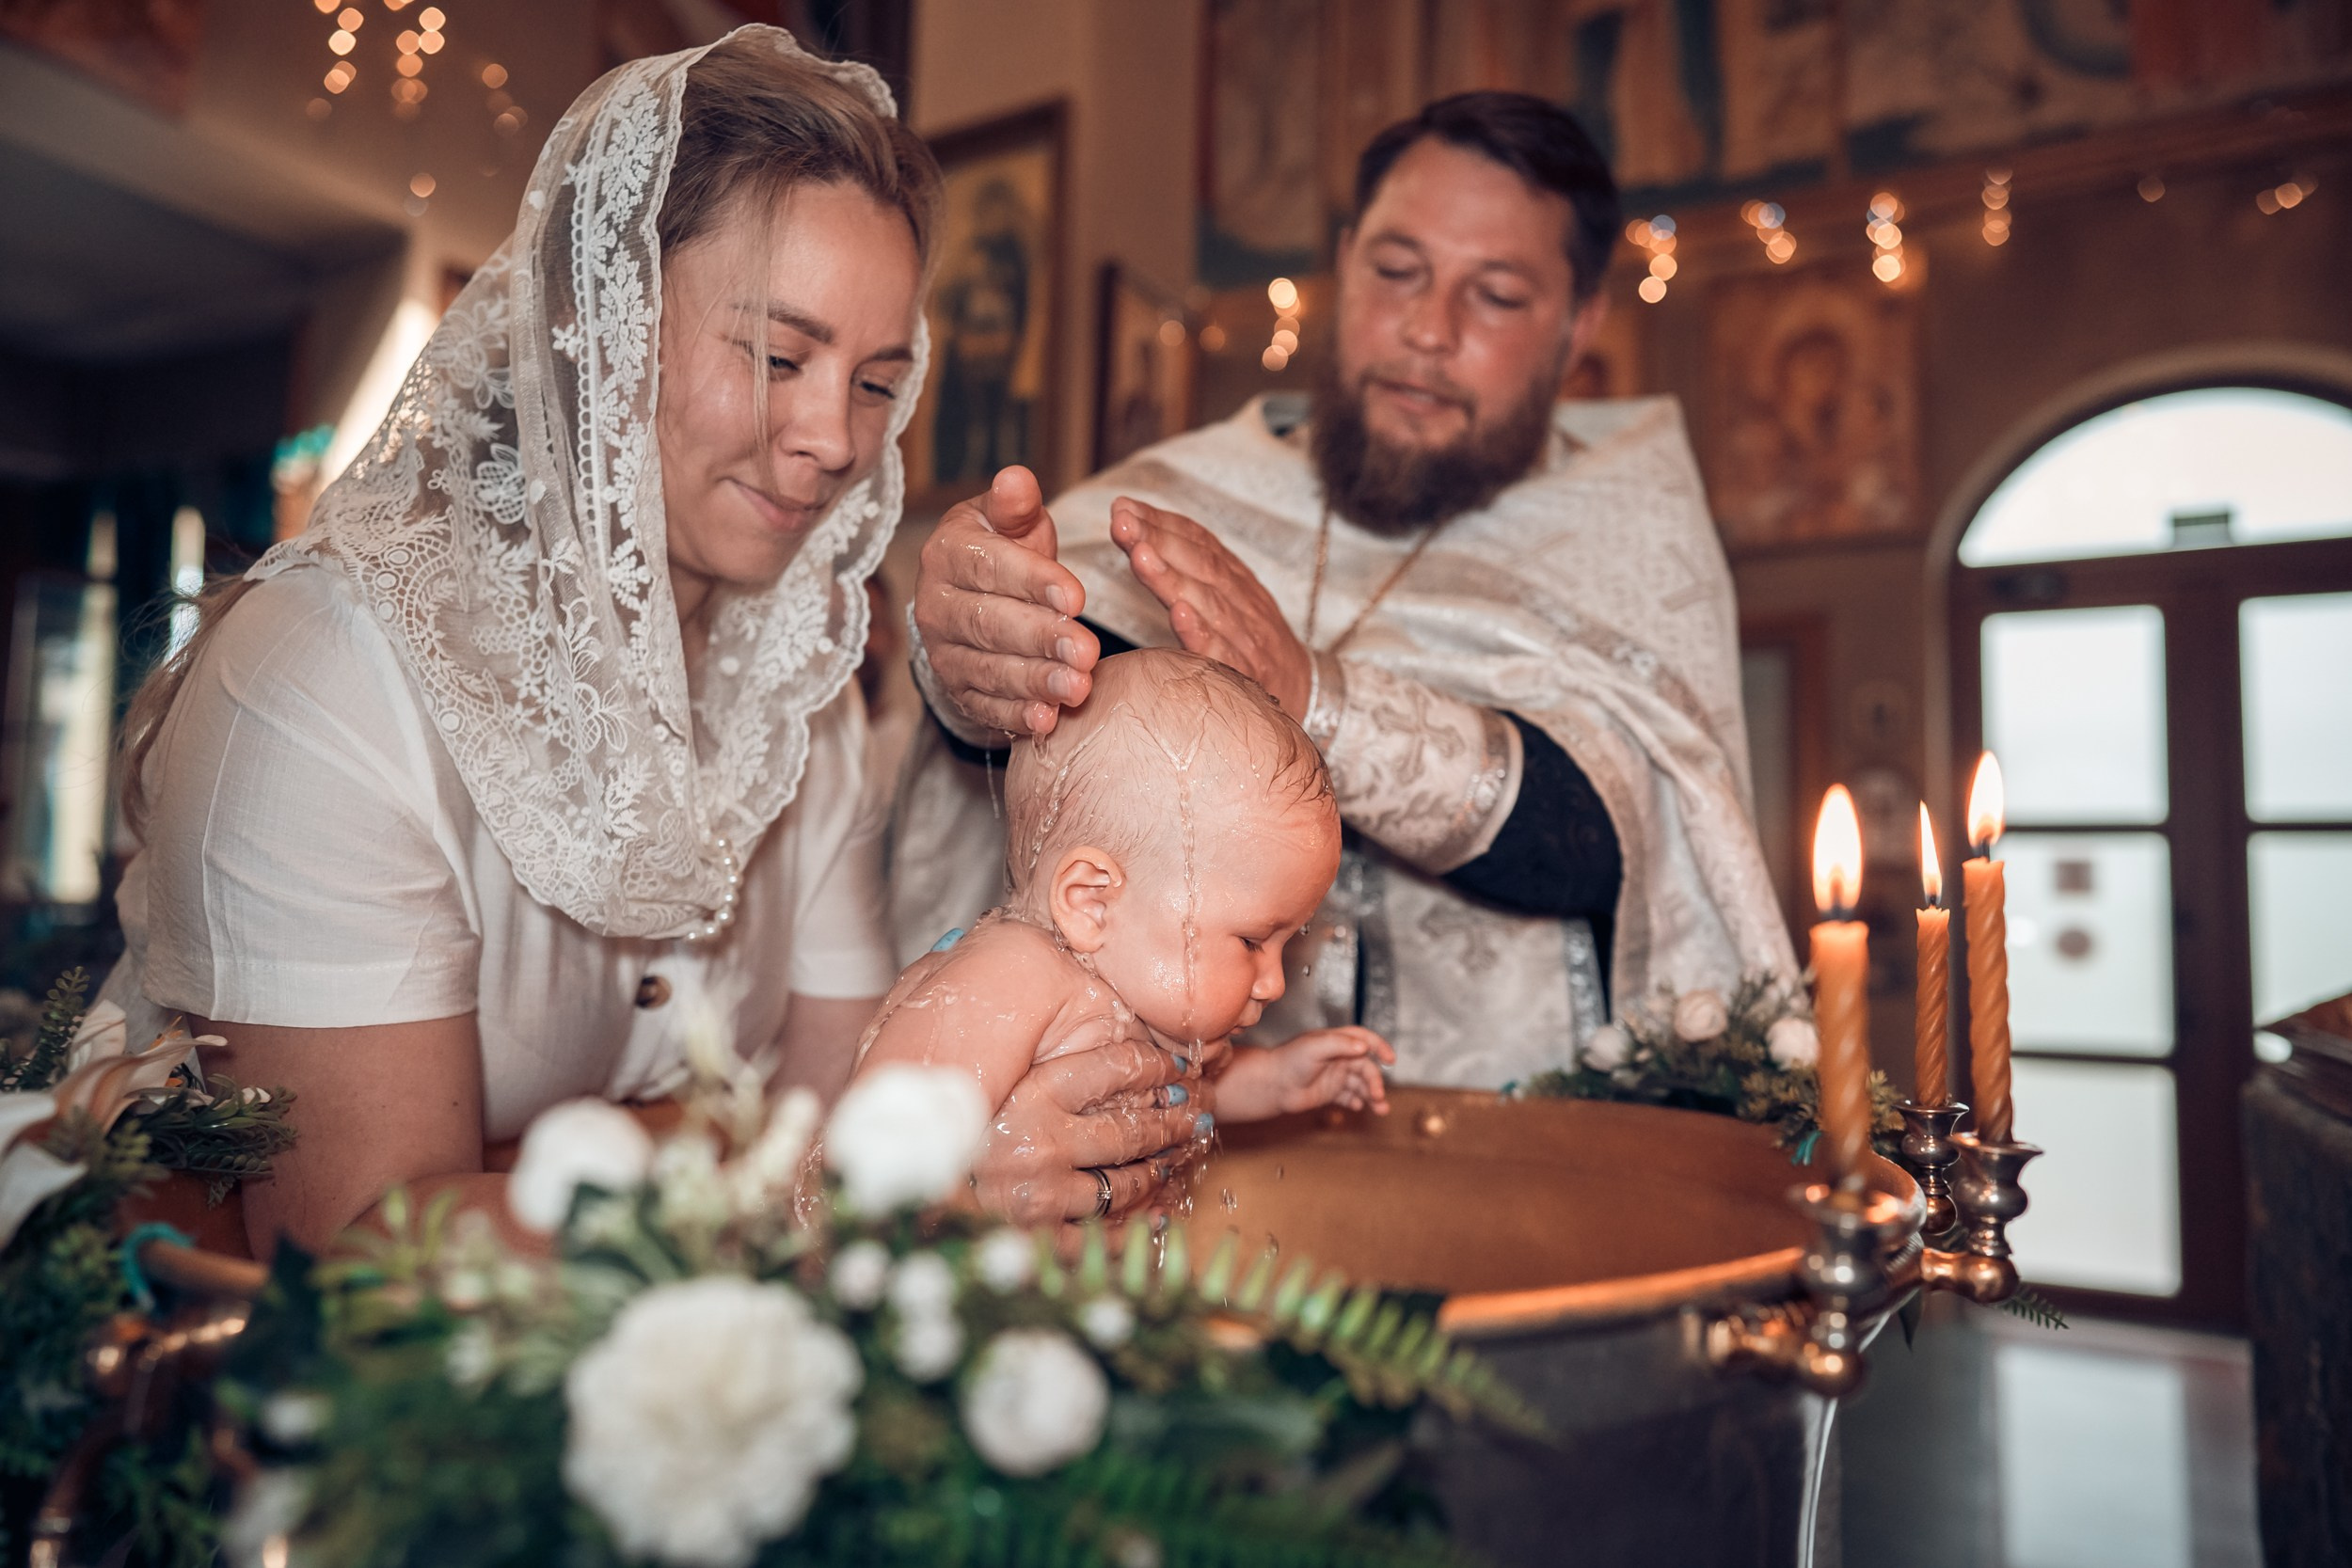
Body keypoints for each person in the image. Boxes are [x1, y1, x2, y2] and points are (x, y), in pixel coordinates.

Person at [98, 28, 1198, 1258]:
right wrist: (843, 1186)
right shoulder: (328, 678)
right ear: (598, 326)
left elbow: (843, 1105)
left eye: (877, 382)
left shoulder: (802, 703)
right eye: (778, 356)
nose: (837, 438)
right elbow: (357, 1249)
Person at [897, 92, 1799, 1089]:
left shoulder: (1630, 527)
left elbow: (1619, 840)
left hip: (1521, 1134)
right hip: (1189, 1121)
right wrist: (980, 644)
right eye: (1396, 270)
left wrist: (1314, 696)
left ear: (1580, 323)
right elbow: (1062, 726)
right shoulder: (1183, 490)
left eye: (1496, 296)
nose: (1426, 329)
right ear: (1343, 259)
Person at [858, 650, 1391, 1223]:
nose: (1273, 985)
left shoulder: (1138, 998)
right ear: (1092, 902)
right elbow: (880, 1144)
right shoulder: (1012, 976)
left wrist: (1278, 1081)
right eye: (1252, 942)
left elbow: (1184, 1098)